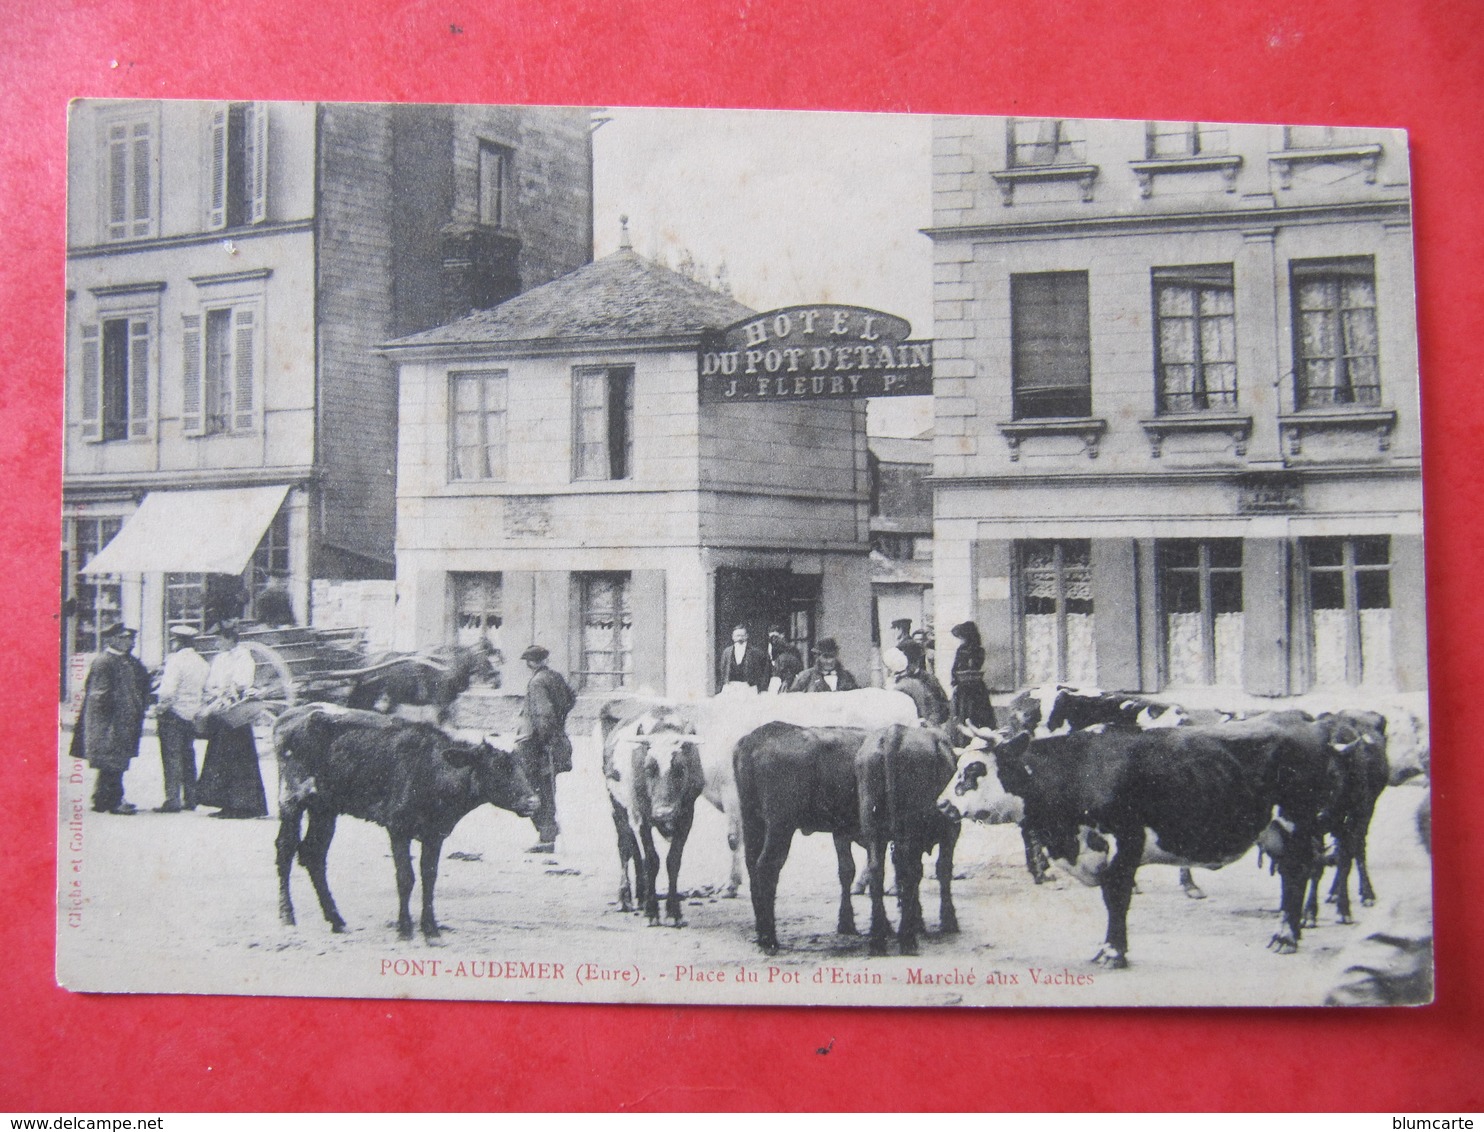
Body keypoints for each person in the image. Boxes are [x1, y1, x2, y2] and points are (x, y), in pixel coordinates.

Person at [70, 623, 151, 814]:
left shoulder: (128, 661)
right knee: (112, 761)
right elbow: (99, 695)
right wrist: (110, 718)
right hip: (111, 722)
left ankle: (101, 800)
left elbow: (140, 684)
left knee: (116, 761)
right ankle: (113, 802)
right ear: (112, 639)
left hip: (124, 720)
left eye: (131, 638)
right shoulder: (104, 661)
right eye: (124, 638)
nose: (130, 642)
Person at [195, 620, 269, 819]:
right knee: (219, 757)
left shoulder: (243, 657)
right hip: (220, 712)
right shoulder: (220, 658)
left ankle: (243, 805)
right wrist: (213, 694)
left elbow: (241, 683)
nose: (216, 642)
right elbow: (211, 682)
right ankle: (225, 803)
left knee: (238, 759)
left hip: (235, 715)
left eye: (219, 638)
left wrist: (228, 692)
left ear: (229, 638)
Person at [517, 645, 576, 853]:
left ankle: (547, 835)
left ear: (531, 663)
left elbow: (544, 714)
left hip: (536, 744)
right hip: (555, 739)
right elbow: (570, 699)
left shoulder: (537, 682)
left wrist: (544, 739)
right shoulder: (555, 677)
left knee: (534, 788)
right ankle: (548, 832)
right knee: (545, 788)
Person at [154, 623, 209, 811]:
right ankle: (191, 798)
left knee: (171, 757)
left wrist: (159, 709)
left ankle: (172, 799)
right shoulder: (201, 662)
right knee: (188, 756)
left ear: (177, 642)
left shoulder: (175, 661)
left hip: (173, 714)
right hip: (191, 714)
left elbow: (168, 692)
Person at [948, 620, 997, 732]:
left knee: (975, 713)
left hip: (973, 688)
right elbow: (955, 669)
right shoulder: (962, 650)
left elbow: (975, 666)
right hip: (965, 687)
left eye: (962, 637)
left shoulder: (978, 650)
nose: (961, 640)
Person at [887, 639, 951, 725]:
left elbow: (942, 707)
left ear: (916, 662)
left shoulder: (929, 680)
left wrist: (930, 723)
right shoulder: (896, 680)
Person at [788, 637, 859, 692]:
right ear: (817, 657)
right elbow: (793, 700)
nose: (829, 661)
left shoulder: (847, 677)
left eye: (832, 657)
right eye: (825, 657)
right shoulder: (806, 677)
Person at [717, 624, 769, 693]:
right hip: (730, 687)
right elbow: (722, 669)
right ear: (733, 637)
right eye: (737, 636)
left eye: (742, 635)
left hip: (749, 688)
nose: (740, 638)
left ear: (747, 636)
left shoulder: (755, 652)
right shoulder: (727, 652)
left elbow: (763, 670)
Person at [766, 627, 803, 694]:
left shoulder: (791, 649)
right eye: (770, 638)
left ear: (782, 635)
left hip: (788, 681)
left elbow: (798, 666)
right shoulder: (769, 649)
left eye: (775, 637)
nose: (773, 640)